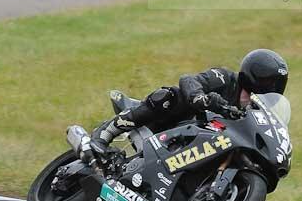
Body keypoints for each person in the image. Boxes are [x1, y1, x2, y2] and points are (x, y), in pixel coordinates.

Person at [90, 48, 289, 158]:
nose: (271, 87)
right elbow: (189, 80)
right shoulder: (226, 78)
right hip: (175, 121)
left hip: (201, 144)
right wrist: (199, 97)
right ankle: (106, 131)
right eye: (267, 80)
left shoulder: (258, 110)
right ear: (253, 74)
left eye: (275, 84)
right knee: (169, 96)